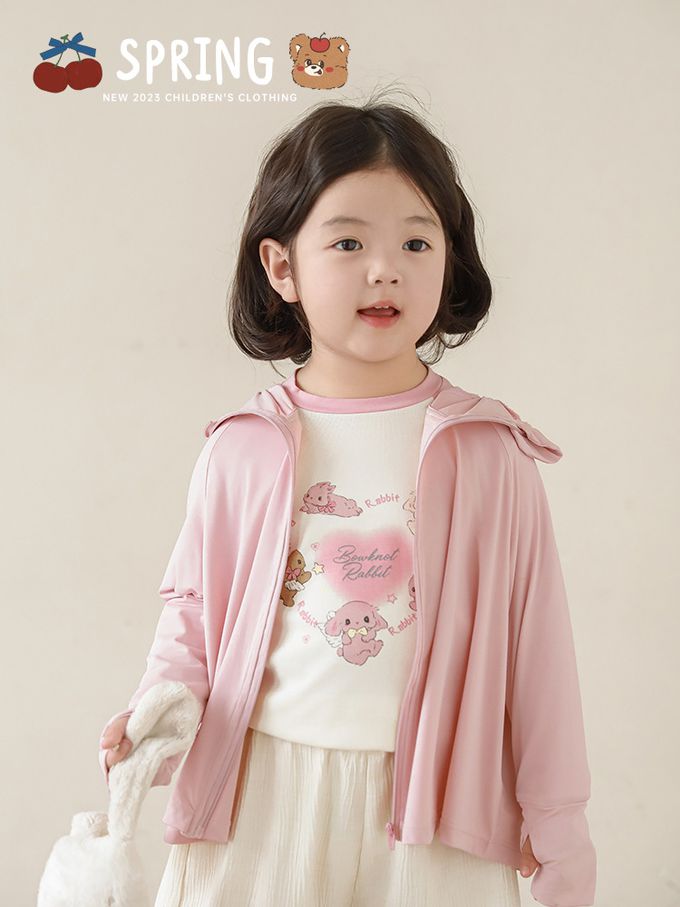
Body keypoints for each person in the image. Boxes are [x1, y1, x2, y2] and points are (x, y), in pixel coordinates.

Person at [98, 89, 596, 907]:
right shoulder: (241, 446)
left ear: (450, 259)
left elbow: (538, 652)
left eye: (416, 241)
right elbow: (195, 612)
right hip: (261, 799)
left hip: (439, 810)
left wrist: (558, 821)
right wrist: (164, 706)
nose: (385, 268)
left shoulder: (492, 452)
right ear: (281, 267)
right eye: (348, 241)